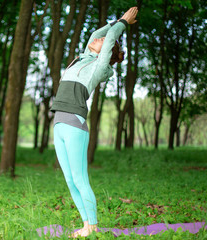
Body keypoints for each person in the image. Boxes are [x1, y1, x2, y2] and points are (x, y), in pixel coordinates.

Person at [50, 7, 138, 238]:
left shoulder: (100, 67)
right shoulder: (84, 58)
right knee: (69, 180)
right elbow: (98, 35)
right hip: (58, 121)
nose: (97, 40)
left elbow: (108, 38)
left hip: (74, 123)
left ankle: (93, 226)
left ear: (106, 53)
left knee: (80, 178)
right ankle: (86, 225)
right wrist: (112, 24)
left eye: (101, 42)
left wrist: (122, 23)